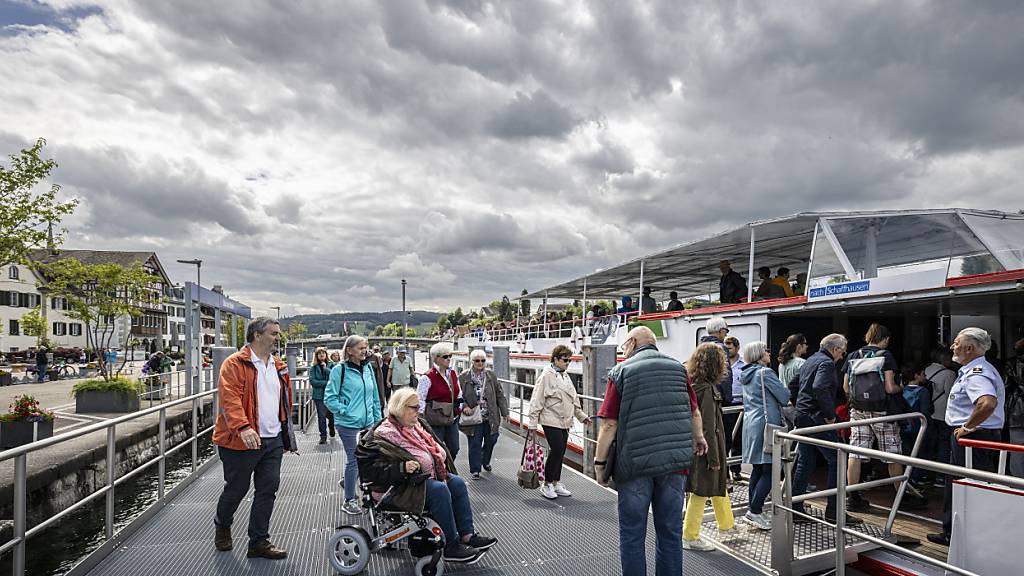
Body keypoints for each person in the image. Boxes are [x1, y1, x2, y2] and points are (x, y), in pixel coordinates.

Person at [595, 326, 708, 575]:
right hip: (674, 464)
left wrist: (600, 464)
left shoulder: (621, 371)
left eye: (624, 345)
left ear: (633, 342)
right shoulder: (679, 369)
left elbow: (609, 424)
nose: (624, 351)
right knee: (670, 532)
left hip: (635, 466)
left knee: (633, 534)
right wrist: (699, 437)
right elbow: (694, 411)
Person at [359, 387, 497, 564]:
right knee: (439, 490)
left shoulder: (416, 426)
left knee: (457, 483)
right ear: (401, 408)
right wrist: (402, 467)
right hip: (394, 489)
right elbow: (371, 471)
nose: (419, 410)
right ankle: (451, 546)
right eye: (414, 407)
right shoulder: (383, 435)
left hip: (419, 480)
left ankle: (467, 535)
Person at [212, 317, 296, 559]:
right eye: (274, 333)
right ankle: (222, 524)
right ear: (257, 335)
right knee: (237, 489)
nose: (278, 338)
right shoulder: (234, 364)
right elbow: (230, 400)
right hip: (240, 441)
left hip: (273, 440)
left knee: (268, 490)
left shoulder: (278, 366)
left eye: (278, 334)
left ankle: (258, 542)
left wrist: (286, 433)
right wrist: (243, 427)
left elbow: (284, 402)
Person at [927, 328, 1006, 546]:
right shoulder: (975, 370)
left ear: (969, 348)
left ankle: (963, 535)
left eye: (956, 343)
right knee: (959, 484)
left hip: (973, 437)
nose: (952, 347)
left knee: (966, 486)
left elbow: (987, 403)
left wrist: (967, 428)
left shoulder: (977, 372)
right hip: (975, 435)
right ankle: (954, 531)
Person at [792, 333, 863, 524]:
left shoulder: (809, 361)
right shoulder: (827, 363)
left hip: (803, 417)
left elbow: (793, 385)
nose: (842, 356)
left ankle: (795, 509)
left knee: (805, 463)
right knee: (838, 459)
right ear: (835, 349)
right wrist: (830, 415)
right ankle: (834, 511)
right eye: (843, 352)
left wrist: (801, 406)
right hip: (818, 419)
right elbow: (820, 387)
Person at [842, 323, 908, 513]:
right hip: (882, 411)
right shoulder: (885, 356)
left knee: (855, 452)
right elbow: (889, 388)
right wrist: (901, 387)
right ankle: (899, 494)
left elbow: (846, 387)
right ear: (885, 339)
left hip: (858, 411)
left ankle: (853, 496)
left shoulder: (853, 355)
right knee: (891, 452)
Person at [682, 342, 736, 549]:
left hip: (702, 446)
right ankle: (690, 535)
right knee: (702, 489)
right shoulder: (707, 389)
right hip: (708, 448)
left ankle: (727, 524)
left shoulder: (694, 385)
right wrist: (713, 457)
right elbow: (707, 426)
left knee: (716, 484)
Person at [325, 334, 383, 515]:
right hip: (348, 424)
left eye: (365, 347)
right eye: (360, 348)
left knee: (369, 458)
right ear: (349, 351)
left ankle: (348, 480)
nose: (364, 351)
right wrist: (345, 411)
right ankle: (349, 500)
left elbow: (374, 397)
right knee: (355, 460)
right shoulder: (339, 370)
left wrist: (378, 420)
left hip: (368, 423)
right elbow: (330, 398)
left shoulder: (368, 368)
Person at [528, 344, 591, 499]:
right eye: (564, 360)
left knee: (561, 451)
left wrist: (581, 416)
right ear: (555, 359)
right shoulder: (546, 376)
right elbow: (537, 399)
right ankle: (547, 483)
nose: (567, 363)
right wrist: (532, 423)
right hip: (551, 419)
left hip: (565, 420)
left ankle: (556, 482)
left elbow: (573, 399)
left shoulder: (565, 375)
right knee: (556, 450)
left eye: (569, 360)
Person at [740, 340, 791, 530]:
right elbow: (784, 397)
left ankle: (753, 509)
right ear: (759, 354)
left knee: (758, 469)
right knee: (770, 471)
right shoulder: (765, 373)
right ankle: (755, 511)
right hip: (766, 424)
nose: (770, 353)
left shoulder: (746, 374)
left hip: (751, 424)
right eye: (766, 350)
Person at [458, 349, 509, 479]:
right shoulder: (464, 376)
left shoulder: (491, 375)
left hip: (490, 415)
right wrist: (465, 406)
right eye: (477, 360)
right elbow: (458, 396)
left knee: (492, 439)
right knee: (474, 442)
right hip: (474, 416)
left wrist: (505, 412)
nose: (480, 363)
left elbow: (499, 394)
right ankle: (475, 469)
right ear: (472, 362)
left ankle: (485, 460)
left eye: (483, 360)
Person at [417, 342, 463, 462]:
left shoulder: (452, 373)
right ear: (436, 358)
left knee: (454, 448)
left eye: (450, 356)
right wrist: (422, 420)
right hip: (435, 420)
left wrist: (460, 407)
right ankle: (440, 472)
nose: (448, 359)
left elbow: (458, 393)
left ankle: (447, 468)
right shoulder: (426, 377)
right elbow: (420, 399)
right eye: (445, 357)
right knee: (436, 449)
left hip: (452, 418)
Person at [925, 346, 957, 485]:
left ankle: (924, 475)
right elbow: (952, 394)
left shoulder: (926, 369)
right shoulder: (949, 374)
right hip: (943, 414)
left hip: (927, 413)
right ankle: (940, 476)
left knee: (928, 444)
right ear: (944, 359)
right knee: (944, 445)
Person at [700, 317, 734, 406]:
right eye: (726, 331)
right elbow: (725, 374)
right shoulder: (721, 348)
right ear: (721, 330)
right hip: (718, 397)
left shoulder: (700, 347)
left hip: (704, 394)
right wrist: (727, 398)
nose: (726, 335)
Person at [724, 335, 744, 480]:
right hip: (725, 404)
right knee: (725, 438)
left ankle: (736, 469)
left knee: (738, 439)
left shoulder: (744, 364)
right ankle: (724, 471)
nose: (727, 350)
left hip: (739, 405)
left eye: (730, 348)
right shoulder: (721, 363)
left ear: (737, 348)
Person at [308, 347, 335, 444]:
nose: (321, 354)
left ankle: (331, 427)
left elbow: (335, 377)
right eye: (319, 353)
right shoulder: (313, 368)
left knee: (331, 415)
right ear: (316, 356)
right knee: (321, 416)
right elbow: (313, 381)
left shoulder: (332, 365)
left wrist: (326, 368)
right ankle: (323, 436)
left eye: (323, 353)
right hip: (319, 397)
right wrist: (326, 382)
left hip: (331, 395)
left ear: (326, 354)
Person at [1006, 339, 1024, 478]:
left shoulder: (1010, 364)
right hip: (1016, 409)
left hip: (1016, 411)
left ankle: (1018, 482)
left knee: (1016, 449)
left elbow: (1005, 387)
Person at [778, 334, 809, 405]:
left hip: (784, 402)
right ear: (798, 346)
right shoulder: (802, 363)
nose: (807, 346)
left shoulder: (782, 363)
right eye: (805, 344)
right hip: (796, 403)